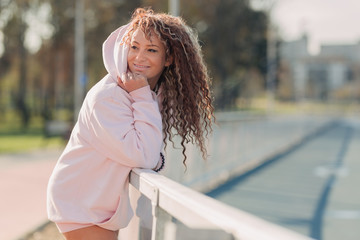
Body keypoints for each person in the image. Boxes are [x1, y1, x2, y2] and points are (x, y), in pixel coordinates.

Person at [47, 7, 214, 240]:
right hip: (81, 200)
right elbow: (143, 155)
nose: (139, 57)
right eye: (134, 47)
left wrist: (144, 97)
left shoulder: (146, 93)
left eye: (152, 50)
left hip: (98, 202)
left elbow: (149, 151)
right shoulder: (110, 97)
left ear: (169, 58)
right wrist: (142, 96)